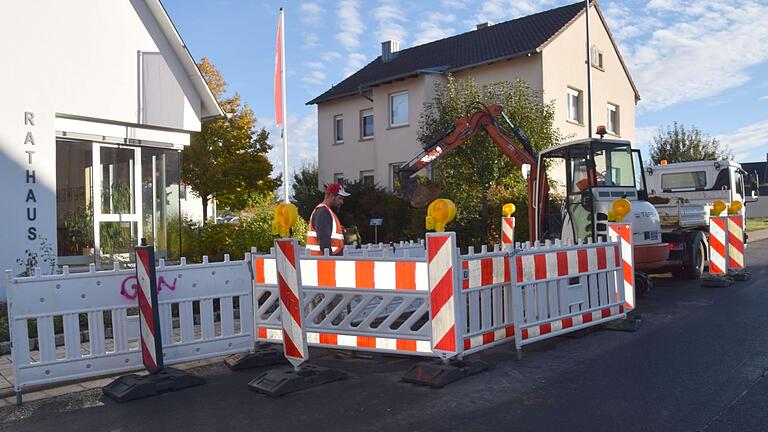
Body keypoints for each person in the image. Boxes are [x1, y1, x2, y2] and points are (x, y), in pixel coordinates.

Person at [306, 183, 350, 256]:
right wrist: (331, 260)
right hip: (323, 262)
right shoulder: (323, 212)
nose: (342, 202)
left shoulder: (326, 212)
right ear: (331, 196)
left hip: (321, 261)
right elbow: (324, 243)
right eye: (340, 198)